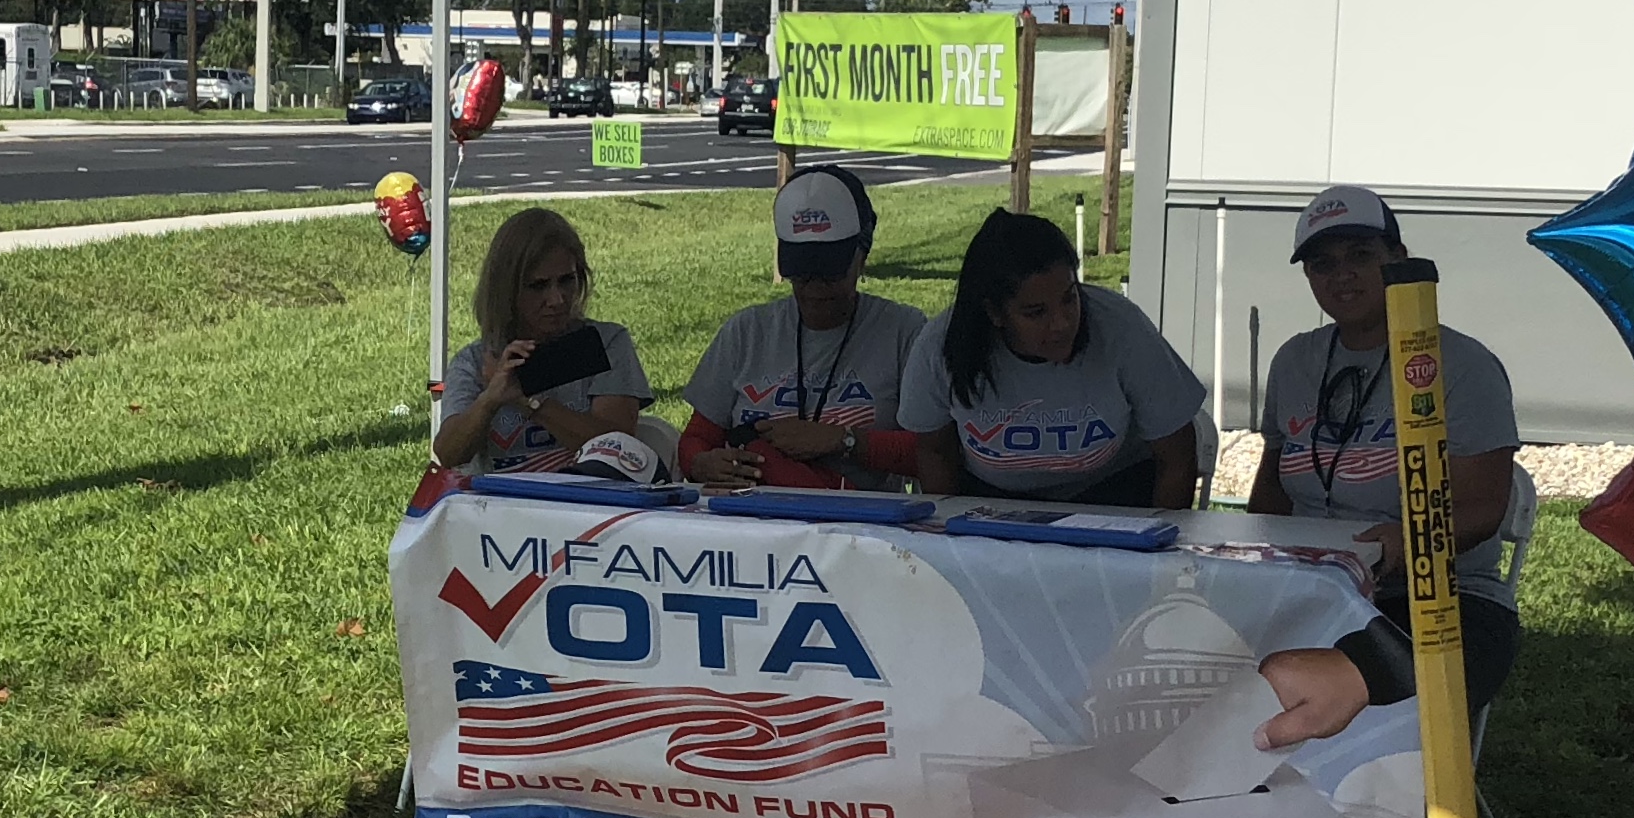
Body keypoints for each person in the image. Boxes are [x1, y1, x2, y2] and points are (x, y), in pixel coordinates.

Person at [1249, 185, 1527, 715]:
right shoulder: (1294, 361)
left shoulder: (1463, 364)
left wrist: (1409, 540)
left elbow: (1482, 508)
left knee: (1367, 708)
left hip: (1440, 599)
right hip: (1311, 592)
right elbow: (1271, 490)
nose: (1342, 274)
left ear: (1398, 260)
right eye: (1322, 264)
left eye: (1361, 255)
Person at [903, 208, 1205, 508]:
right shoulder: (940, 346)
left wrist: (1160, 541)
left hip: (1115, 495)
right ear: (994, 313)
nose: (1062, 323)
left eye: (1070, 298)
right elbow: (935, 451)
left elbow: (1177, 454)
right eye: (1036, 313)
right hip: (991, 502)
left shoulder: (1122, 328)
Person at [680, 166, 930, 490]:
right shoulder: (746, 332)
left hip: (860, 523)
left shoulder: (904, 332)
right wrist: (704, 464)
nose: (815, 289)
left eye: (830, 273)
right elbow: (696, 439)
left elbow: (936, 453)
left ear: (862, 256)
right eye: (801, 274)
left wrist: (844, 440)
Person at [433, 207, 651, 474]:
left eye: (566, 281)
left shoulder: (605, 343)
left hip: (592, 509)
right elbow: (449, 454)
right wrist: (490, 399)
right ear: (507, 290)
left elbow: (617, 448)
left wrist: (529, 400)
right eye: (538, 286)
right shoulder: (478, 361)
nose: (557, 299)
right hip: (500, 509)